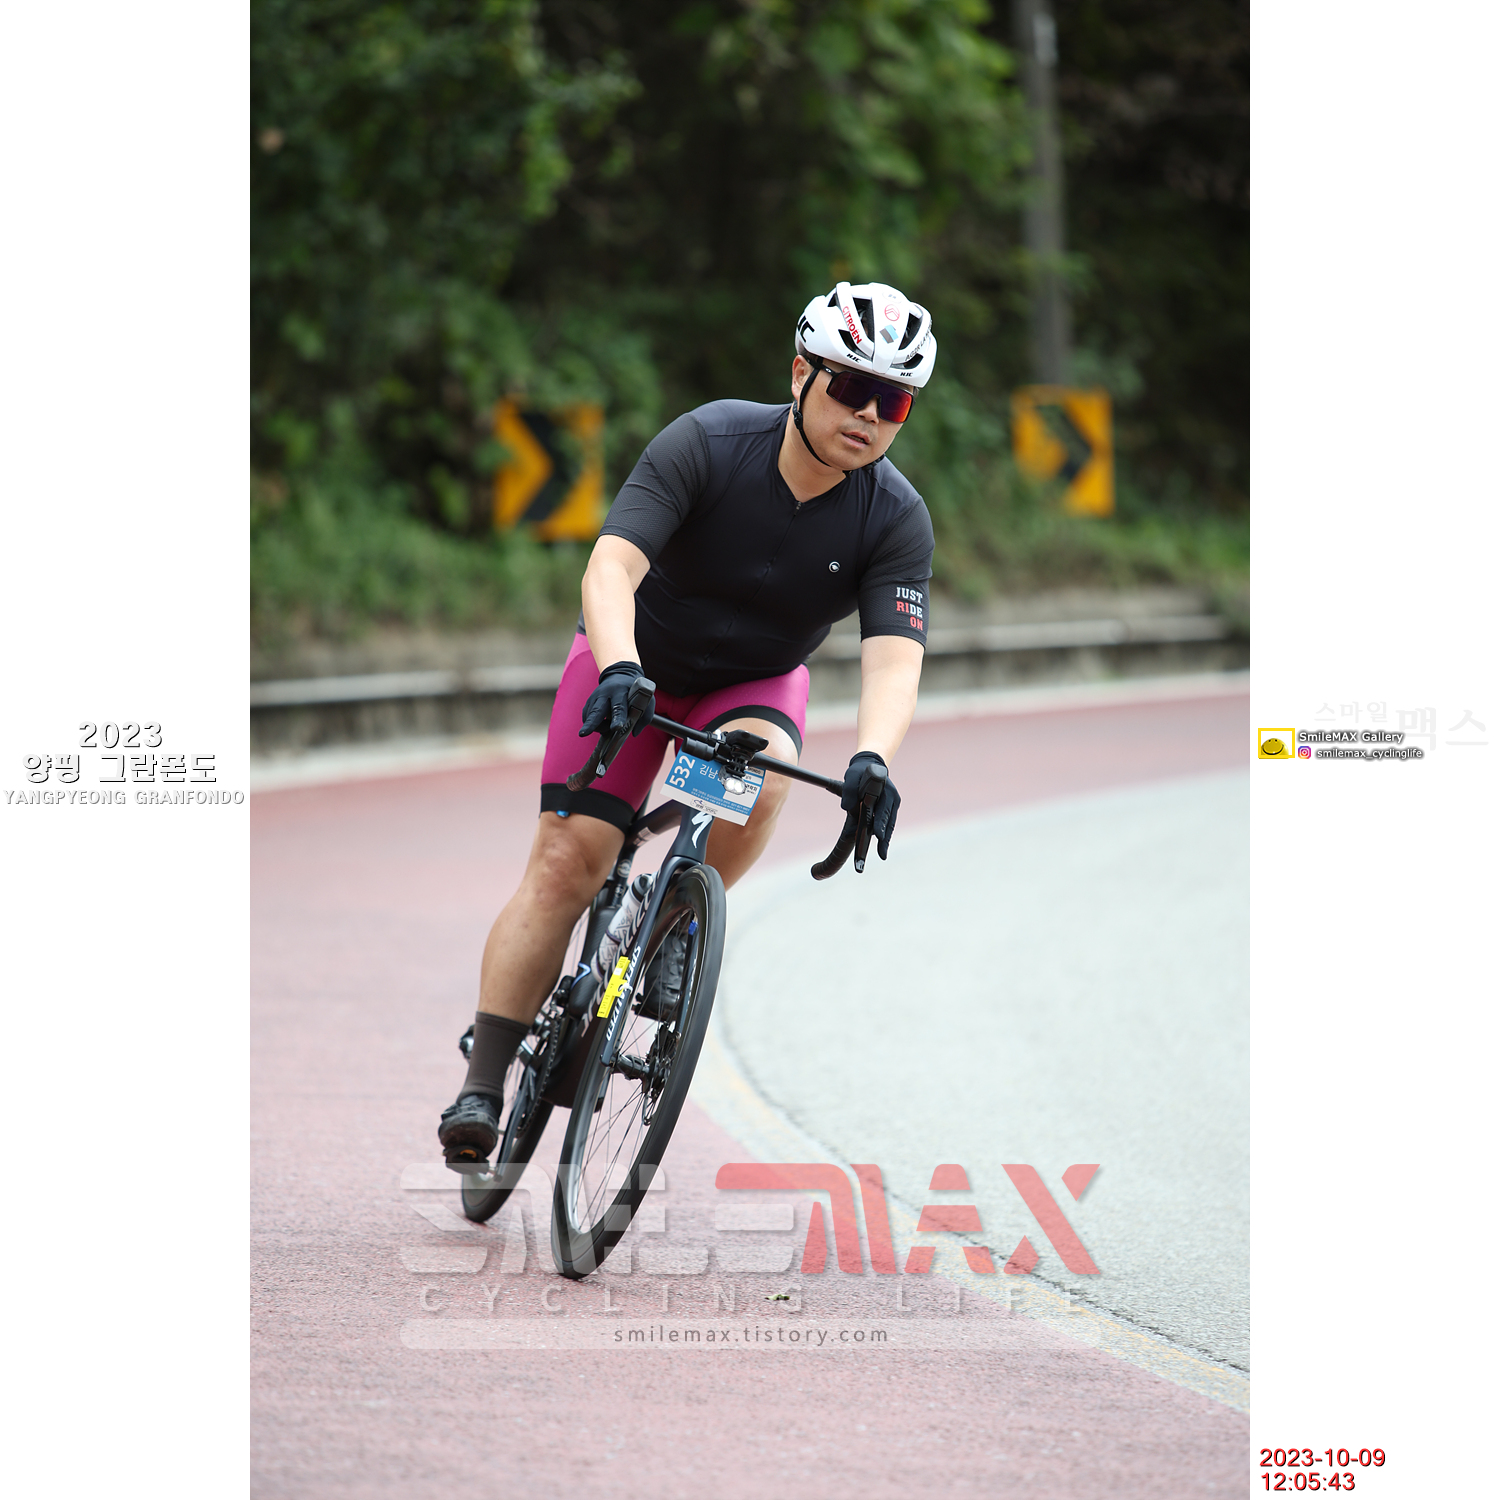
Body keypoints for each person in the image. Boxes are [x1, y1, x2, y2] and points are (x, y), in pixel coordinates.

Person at [439, 280, 938, 1166]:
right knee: (565, 863)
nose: (868, 413)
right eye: (851, 387)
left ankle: (676, 920)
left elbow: (894, 658)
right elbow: (610, 568)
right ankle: (483, 1081)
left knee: (769, 774)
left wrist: (873, 757)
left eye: (892, 400)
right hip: (636, 660)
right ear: (801, 375)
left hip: (752, 684)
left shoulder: (895, 518)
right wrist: (620, 666)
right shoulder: (709, 441)